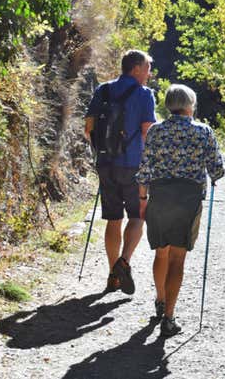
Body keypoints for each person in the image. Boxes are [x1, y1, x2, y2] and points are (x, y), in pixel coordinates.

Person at [136, 84, 224, 336]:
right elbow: (216, 169)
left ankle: (160, 300)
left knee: (161, 252)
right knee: (177, 257)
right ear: (190, 106)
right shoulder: (203, 132)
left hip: (160, 196)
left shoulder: (155, 131)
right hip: (188, 198)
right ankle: (169, 318)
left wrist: (143, 197)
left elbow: (144, 169)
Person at [84, 50, 156, 295]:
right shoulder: (144, 94)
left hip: (106, 164)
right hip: (134, 163)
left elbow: (89, 128)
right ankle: (123, 262)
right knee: (137, 216)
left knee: (113, 219)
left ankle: (112, 275)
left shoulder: (103, 90)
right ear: (135, 68)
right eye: (147, 67)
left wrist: (102, 153)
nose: (149, 73)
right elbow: (148, 131)